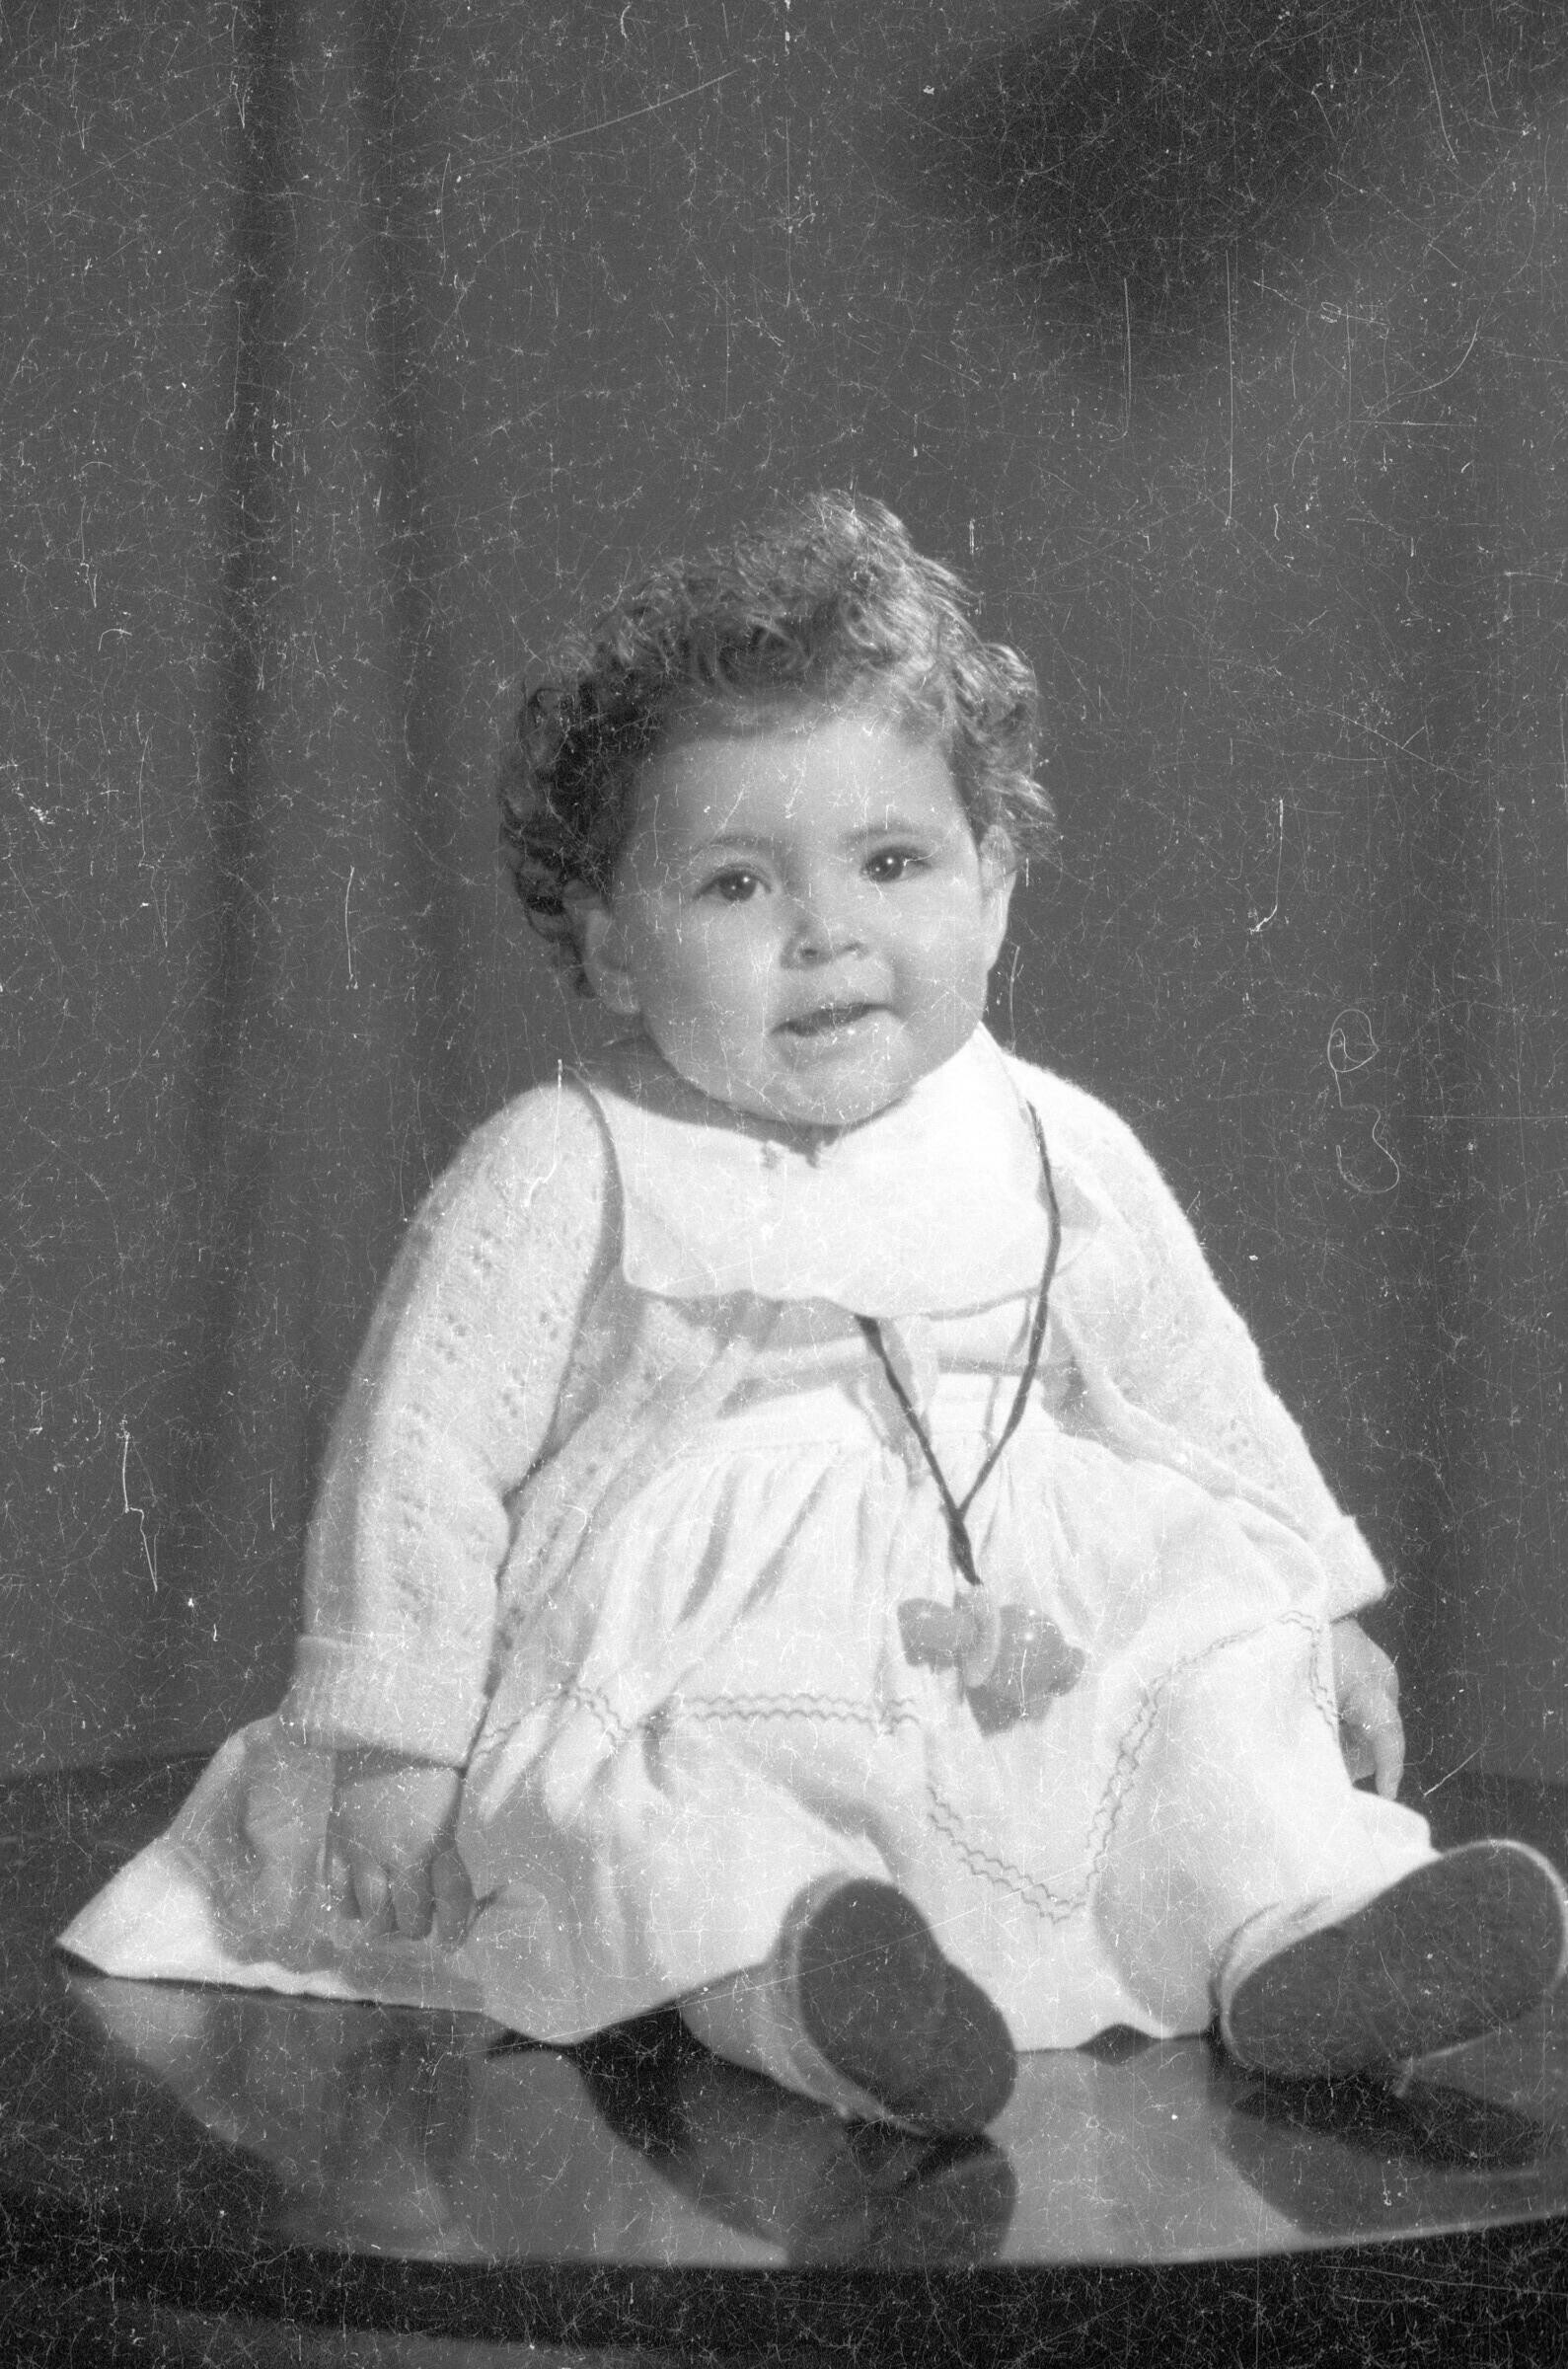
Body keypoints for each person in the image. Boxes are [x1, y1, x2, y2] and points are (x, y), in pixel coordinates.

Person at [61, 495, 1568, 2140]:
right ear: (611, 949)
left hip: (1018, 1630)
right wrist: (398, 1737)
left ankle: (1309, 1928)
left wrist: (1320, 1600)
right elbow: (417, 1465)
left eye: (892, 861)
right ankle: (806, 1987)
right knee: (664, 1812)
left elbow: (1192, 1382)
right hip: (695, 1635)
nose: (825, 930)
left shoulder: (1054, 1141)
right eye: (732, 883)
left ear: (990, 889)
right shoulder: (566, 1165)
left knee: (1200, 1680)